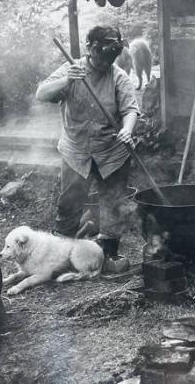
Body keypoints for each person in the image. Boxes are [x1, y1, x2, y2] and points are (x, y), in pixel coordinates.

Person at [36, 26, 140, 273]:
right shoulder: (72, 69)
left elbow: (130, 110)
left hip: (111, 151)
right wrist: (67, 80)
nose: (105, 64)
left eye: (110, 59)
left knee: (113, 201)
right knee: (69, 202)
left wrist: (127, 129)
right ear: (90, 48)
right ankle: (60, 254)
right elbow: (41, 94)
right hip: (77, 150)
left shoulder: (118, 77)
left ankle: (108, 252)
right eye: (101, 57)